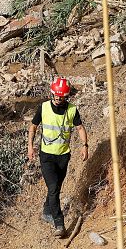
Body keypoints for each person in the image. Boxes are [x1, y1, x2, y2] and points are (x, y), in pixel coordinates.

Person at [27, 76, 89, 237]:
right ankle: (59, 223)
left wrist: (84, 146)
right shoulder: (43, 108)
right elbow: (33, 127)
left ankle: (47, 210)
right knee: (53, 188)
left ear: (66, 96)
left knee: (56, 187)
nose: (58, 99)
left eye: (61, 96)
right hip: (46, 155)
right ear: (51, 93)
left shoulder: (72, 110)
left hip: (63, 156)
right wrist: (30, 146)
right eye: (55, 95)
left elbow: (80, 128)